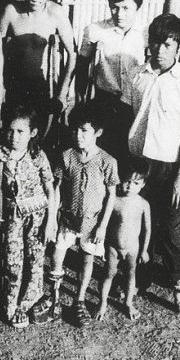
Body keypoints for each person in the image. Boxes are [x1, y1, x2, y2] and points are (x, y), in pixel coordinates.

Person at [125, 14, 180, 313]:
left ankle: (178, 284)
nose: (160, 50)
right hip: (139, 163)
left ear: (178, 46)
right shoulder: (137, 75)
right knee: (138, 224)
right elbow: (129, 116)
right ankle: (137, 279)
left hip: (170, 166)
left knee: (171, 228)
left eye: (167, 44)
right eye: (156, 42)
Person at [45, 102, 118, 328]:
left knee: (87, 259)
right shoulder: (66, 156)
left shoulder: (107, 161)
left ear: (98, 132)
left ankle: (79, 300)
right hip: (67, 219)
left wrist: (103, 226)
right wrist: (52, 219)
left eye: (84, 130)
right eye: (75, 129)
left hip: (92, 222)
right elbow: (56, 188)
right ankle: (54, 297)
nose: (78, 135)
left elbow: (111, 196)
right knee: (58, 255)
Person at [0, 103, 55, 329]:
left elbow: (50, 188)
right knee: (13, 260)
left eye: (20, 132)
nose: (14, 137)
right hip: (13, 217)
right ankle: (11, 304)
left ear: (33, 133)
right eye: (10, 131)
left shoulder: (38, 155)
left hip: (37, 215)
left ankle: (27, 303)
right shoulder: (0, 153)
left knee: (36, 259)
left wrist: (51, 221)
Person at [76, 0, 146, 165]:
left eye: (125, 8)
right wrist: (80, 97)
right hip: (104, 100)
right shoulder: (96, 30)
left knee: (129, 152)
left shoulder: (146, 33)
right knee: (103, 152)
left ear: (137, 7)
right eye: (114, 7)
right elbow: (82, 63)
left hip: (134, 102)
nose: (119, 13)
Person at [0, 0, 77, 123]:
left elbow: (73, 53)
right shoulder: (12, 11)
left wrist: (62, 92)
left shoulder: (55, 13)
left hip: (43, 88)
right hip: (15, 87)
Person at [98, 160, 151, 321]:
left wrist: (144, 250)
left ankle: (128, 303)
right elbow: (105, 223)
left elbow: (148, 229)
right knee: (109, 274)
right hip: (113, 246)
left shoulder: (143, 204)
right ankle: (102, 303)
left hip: (133, 247)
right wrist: (101, 245)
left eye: (135, 183)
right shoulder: (114, 200)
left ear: (142, 184)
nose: (130, 186)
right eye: (127, 181)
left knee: (130, 274)